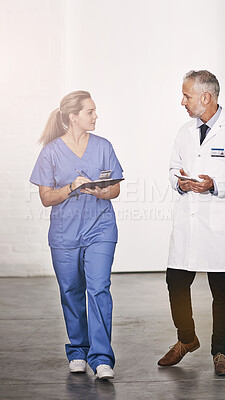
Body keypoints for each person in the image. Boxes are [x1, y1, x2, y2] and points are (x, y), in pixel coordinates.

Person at [158, 70, 225, 375]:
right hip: (189, 222)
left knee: (222, 291)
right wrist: (181, 182)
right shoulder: (184, 132)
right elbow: (174, 167)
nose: (182, 101)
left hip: (219, 225)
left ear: (206, 97)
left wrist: (214, 184)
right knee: (176, 282)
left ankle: (220, 352)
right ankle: (186, 339)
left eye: (187, 95)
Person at [30, 90, 123, 380]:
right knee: (71, 293)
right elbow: (46, 198)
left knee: (98, 289)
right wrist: (72, 187)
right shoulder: (51, 152)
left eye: (95, 112)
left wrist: (100, 190)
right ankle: (79, 352)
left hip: (100, 228)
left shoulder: (103, 146)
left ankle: (102, 358)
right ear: (73, 117)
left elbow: (115, 189)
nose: (96, 116)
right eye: (90, 112)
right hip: (64, 235)